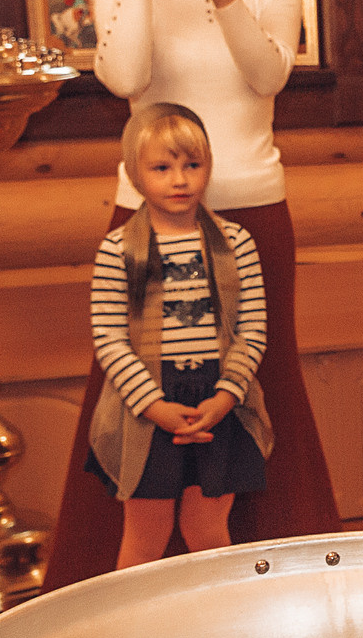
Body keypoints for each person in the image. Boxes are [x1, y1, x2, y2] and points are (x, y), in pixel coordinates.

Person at [41, 0, 342, 590]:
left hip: (251, 209)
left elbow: (268, 76)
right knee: (128, 386)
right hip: (144, 217)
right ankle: (112, 580)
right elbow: (124, 76)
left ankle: (278, 571)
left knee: (262, 379)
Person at [87, 103, 270, 569]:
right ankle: (133, 615)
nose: (180, 180)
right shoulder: (118, 250)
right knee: (145, 539)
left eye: (192, 165)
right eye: (162, 168)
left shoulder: (236, 243)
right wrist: (155, 407)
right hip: (148, 404)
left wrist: (225, 398)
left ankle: (220, 610)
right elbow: (109, 338)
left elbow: (251, 331)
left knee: (208, 532)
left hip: (217, 398)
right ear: (136, 173)